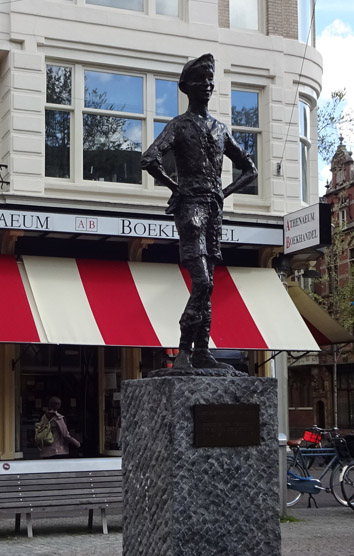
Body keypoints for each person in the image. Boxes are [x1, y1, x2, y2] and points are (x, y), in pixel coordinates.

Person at [141, 53, 257, 370]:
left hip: (213, 209)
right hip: (191, 207)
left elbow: (250, 169)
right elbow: (150, 158)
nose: (206, 85)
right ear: (186, 87)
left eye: (209, 81)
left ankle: (202, 351)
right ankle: (182, 351)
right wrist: (176, 188)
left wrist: (224, 192)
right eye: (199, 81)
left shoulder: (220, 129)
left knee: (209, 285)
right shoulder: (179, 126)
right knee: (203, 282)